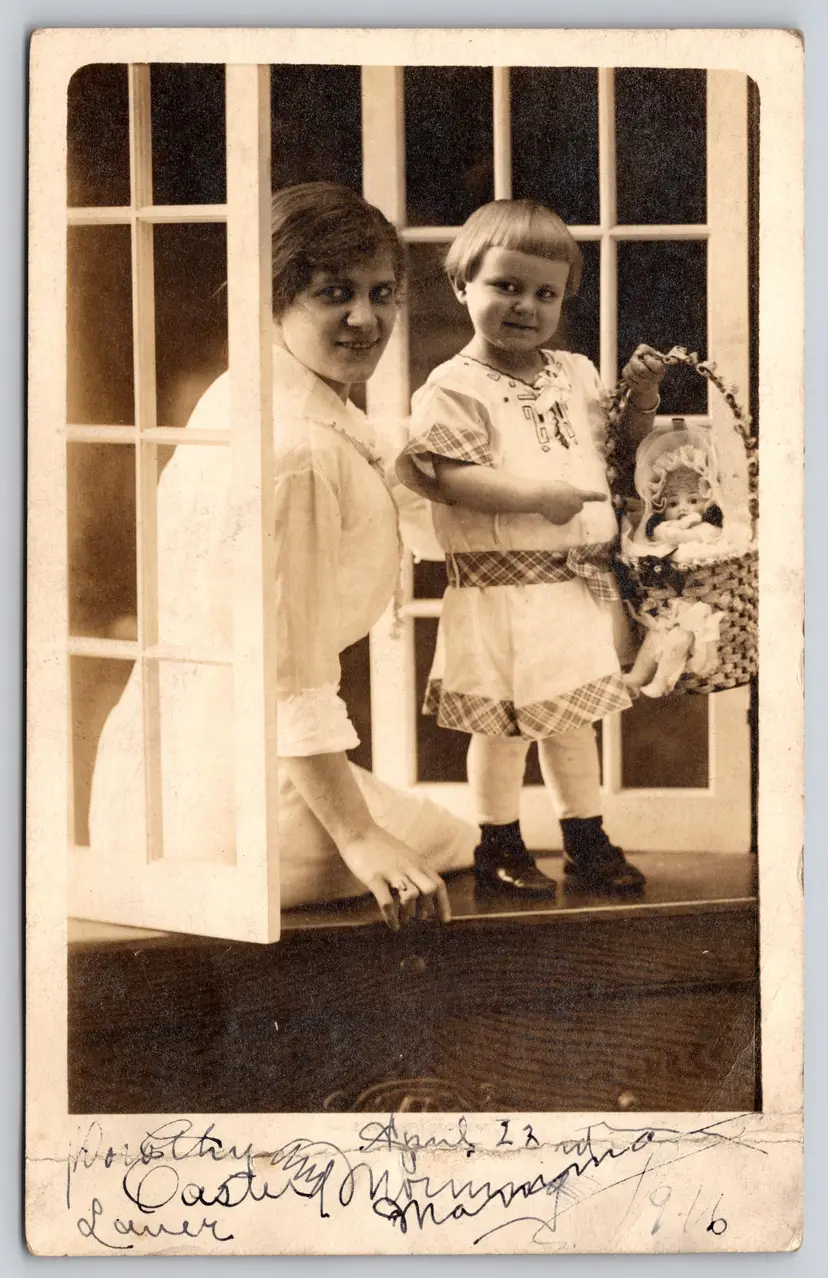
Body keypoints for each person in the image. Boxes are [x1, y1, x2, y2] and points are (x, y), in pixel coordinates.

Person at [89, 182, 477, 932]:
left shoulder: (256, 395)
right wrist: (360, 837)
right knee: (464, 840)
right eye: (335, 293)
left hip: (151, 788)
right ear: (274, 300)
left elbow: (390, 478)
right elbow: (286, 677)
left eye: (382, 293)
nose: (366, 318)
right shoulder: (294, 452)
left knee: (458, 823)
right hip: (228, 810)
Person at [396, 198, 665, 897]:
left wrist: (640, 399)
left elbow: (619, 455)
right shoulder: (455, 386)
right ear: (462, 285)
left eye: (544, 293)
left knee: (576, 720)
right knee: (505, 728)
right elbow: (448, 476)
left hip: (570, 588)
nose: (525, 306)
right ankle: (499, 843)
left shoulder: (573, 372)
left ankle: (587, 838)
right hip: (499, 590)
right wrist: (533, 496)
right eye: (505, 286)